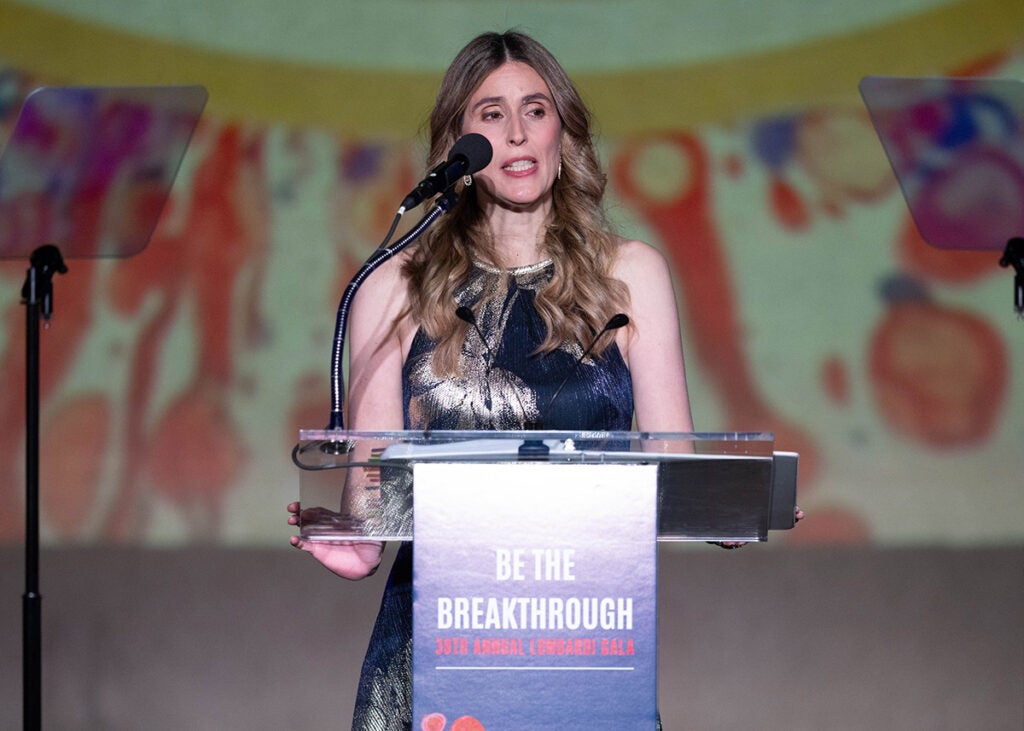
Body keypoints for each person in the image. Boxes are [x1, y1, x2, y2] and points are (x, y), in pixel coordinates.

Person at [289, 30, 697, 730]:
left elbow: (680, 481)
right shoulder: (391, 286)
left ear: (560, 132)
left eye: (536, 110)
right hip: (438, 645)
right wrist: (353, 543)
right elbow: (370, 502)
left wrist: (736, 507)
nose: (516, 132)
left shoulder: (630, 276)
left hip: (580, 633)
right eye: (491, 114)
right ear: (461, 144)